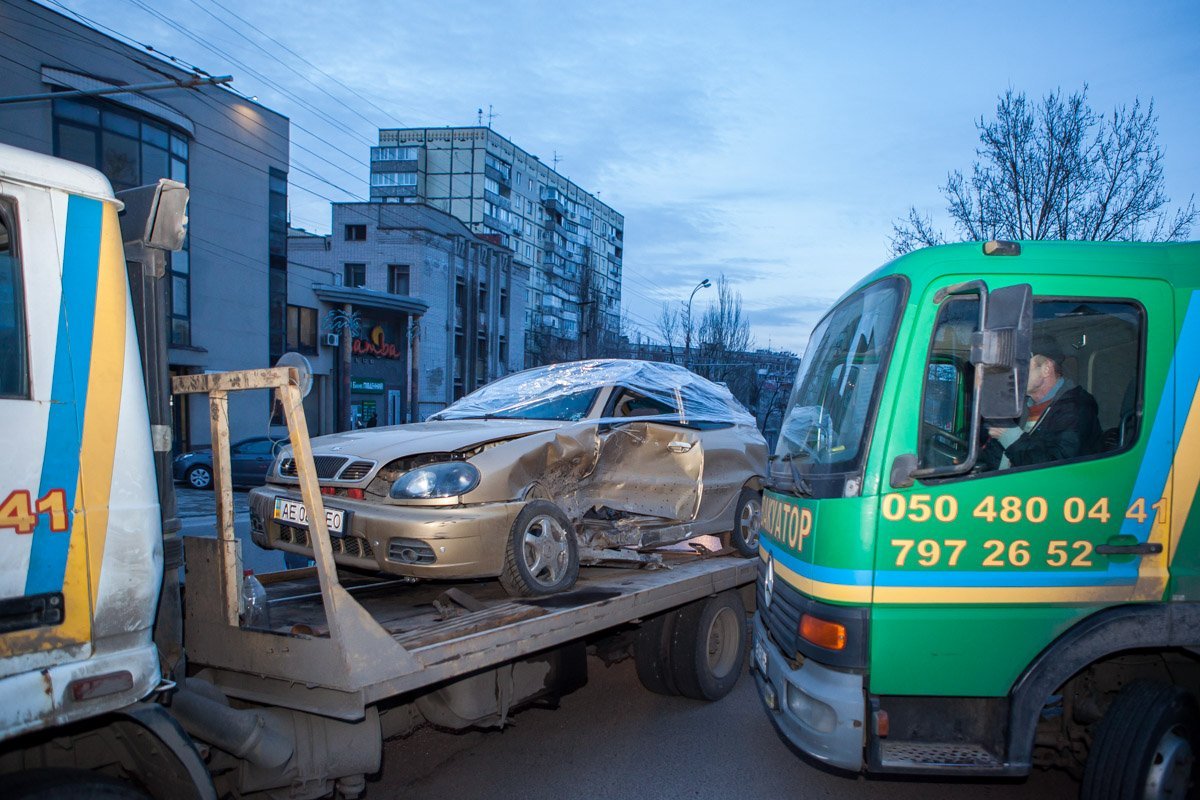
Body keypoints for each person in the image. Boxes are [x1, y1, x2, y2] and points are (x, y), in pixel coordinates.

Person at [981, 337, 1102, 470]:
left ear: (1046, 369)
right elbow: (995, 457)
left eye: (1021, 364)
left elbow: (1057, 468)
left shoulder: (1077, 409)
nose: (1013, 372)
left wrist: (1011, 437)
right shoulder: (1020, 407)